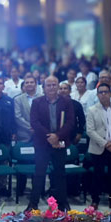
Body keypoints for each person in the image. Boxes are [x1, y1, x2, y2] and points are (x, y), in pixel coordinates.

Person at [27, 76, 75, 212]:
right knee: (39, 174)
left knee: (60, 174)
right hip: (43, 143)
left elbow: (70, 122)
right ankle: (33, 203)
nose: (52, 87)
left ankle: (63, 203)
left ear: (58, 86)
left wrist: (57, 136)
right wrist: (49, 136)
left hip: (60, 142)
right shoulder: (37, 102)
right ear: (44, 87)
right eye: (49, 85)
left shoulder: (66, 102)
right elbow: (34, 122)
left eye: (54, 85)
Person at [86, 83, 111, 210]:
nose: (103, 94)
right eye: (100, 92)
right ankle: (95, 200)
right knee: (97, 175)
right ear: (97, 95)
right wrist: (105, 143)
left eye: (105, 92)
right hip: (99, 147)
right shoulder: (92, 110)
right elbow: (90, 131)